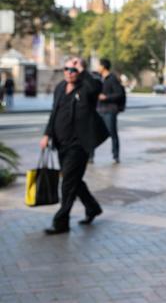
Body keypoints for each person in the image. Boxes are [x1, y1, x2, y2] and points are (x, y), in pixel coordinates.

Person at [39, 57, 109, 235]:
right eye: (67, 69)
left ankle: (61, 222)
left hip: (80, 144)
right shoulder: (60, 87)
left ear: (80, 72)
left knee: (68, 183)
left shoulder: (86, 87)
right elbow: (54, 112)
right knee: (74, 181)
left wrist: (82, 70)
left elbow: (96, 87)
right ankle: (92, 207)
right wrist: (47, 134)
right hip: (61, 143)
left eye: (74, 70)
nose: (70, 72)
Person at [96, 58, 125, 164]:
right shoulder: (98, 78)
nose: (97, 67)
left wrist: (106, 97)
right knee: (92, 132)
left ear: (103, 67)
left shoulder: (112, 79)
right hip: (99, 109)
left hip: (109, 110)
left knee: (112, 133)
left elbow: (119, 94)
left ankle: (115, 155)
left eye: (98, 65)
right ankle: (90, 156)